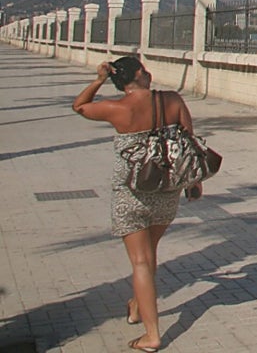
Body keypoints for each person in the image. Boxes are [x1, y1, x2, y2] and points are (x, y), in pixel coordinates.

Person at [73, 56, 204, 353]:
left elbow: (79, 106)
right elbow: (189, 141)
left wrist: (98, 80)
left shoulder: (117, 109)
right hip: (166, 191)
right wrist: (194, 183)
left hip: (130, 193)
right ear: (140, 75)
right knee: (149, 254)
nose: (149, 73)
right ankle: (135, 306)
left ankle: (152, 334)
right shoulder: (172, 100)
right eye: (144, 69)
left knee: (140, 262)